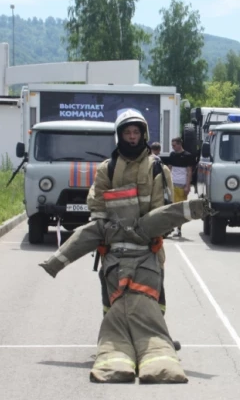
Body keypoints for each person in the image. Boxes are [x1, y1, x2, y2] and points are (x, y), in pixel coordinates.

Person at [40, 185, 211, 383]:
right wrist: (200, 207)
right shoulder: (146, 223)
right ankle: (157, 353)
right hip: (147, 272)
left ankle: (116, 356)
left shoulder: (105, 224)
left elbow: (80, 240)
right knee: (152, 317)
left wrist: (53, 264)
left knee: (114, 323)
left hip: (115, 274)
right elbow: (169, 214)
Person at [87, 109, 174, 315]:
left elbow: (163, 208)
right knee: (108, 286)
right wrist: (100, 238)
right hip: (114, 245)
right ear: (120, 135)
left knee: (155, 288)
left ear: (144, 134)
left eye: (136, 132)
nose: (132, 137)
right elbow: (98, 205)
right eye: (128, 133)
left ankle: (157, 333)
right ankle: (113, 334)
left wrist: (158, 234)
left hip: (149, 245)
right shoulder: (106, 169)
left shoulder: (158, 168)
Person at [166, 137, 195, 237]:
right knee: (171, 207)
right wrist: (166, 182)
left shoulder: (188, 156)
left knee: (180, 209)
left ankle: (178, 229)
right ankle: (170, 228)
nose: (173, 147)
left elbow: (189, 171)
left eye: (174, 145)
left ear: (179, 144)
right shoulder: (172, 155)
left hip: (182, 185)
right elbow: (169, 169)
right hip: (172, 184)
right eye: (172, 145)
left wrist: (188, 186)